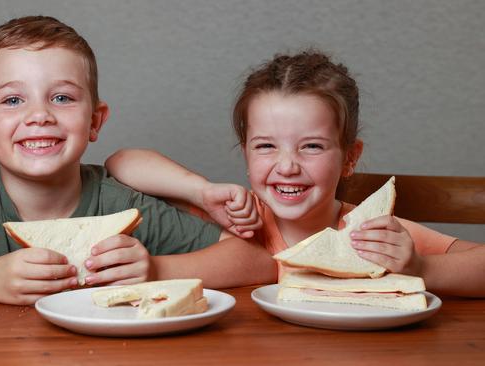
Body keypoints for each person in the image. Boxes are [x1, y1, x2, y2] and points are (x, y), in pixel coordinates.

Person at [0, 16, 274, 305]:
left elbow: (257, 262)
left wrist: (156, 268)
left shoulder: (121, 205)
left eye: (62, 97)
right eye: (12, 100)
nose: (39, 115)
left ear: (94, 121)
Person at [105, 50, 485, 297]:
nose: (287, 166)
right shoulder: (233, 217)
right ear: (246, 154)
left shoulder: (372, 233)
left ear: (350, 158)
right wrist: (201, 191)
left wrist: (420, 267)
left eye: (312, 146)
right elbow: (121, 163)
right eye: (266, 146)